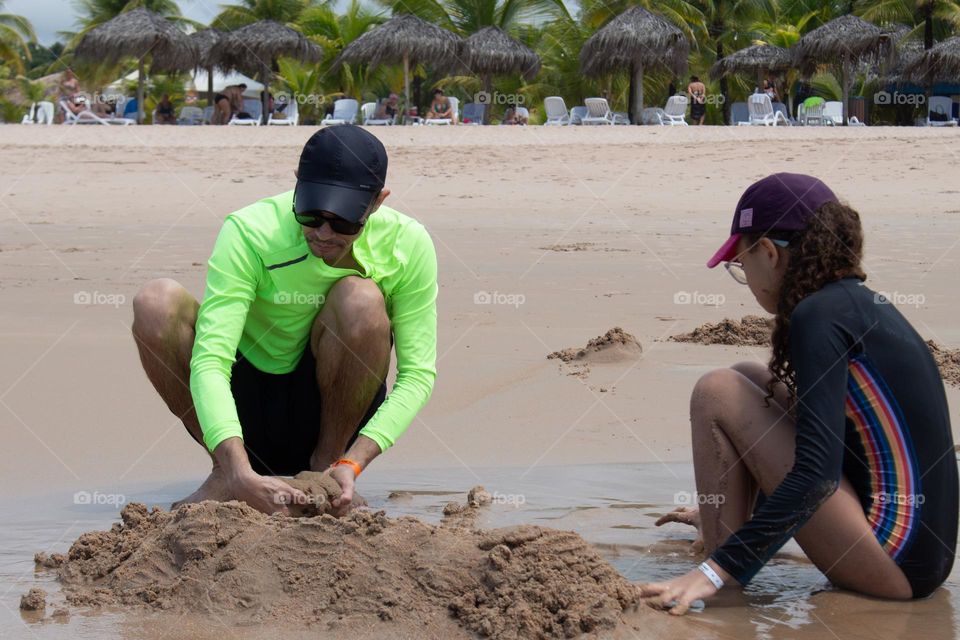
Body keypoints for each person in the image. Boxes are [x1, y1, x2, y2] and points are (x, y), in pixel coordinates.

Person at [640, 173, 957, 614]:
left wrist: (716, 571)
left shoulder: (817, 317)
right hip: (925, 557)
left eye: (739, 263)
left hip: (893, 562)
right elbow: (828, 444)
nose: (743, 277)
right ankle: (721, 525)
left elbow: (816, 475)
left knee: (716, 391)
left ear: (768, 252)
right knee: (748, 375)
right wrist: (733, 509)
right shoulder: (853, 303)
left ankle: (722, 579)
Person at [131, 125, 438, 516]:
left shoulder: (409, 243)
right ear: (297, 184)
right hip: (245, 405)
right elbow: (211, 361)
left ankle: (325, 470)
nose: (323, 234)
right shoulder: (249, 230)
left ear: (377, 202)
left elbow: (418, 375)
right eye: (310, 213)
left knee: (359, 297)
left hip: (331, 409)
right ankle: (226, 472)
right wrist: (238, 469)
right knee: (156, 302)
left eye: (343, 221)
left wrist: (353, 461)